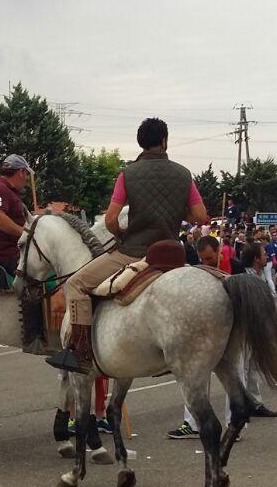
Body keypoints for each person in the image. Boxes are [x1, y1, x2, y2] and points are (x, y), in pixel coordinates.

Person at [53, 118, 207, 373]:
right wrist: (180, 213)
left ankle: (80, 353)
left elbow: (111, 219)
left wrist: (121, 233)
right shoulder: (183, 174)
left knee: (75, 284)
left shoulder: (128, 174)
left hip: (134, 252)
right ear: (165, 141)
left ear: (141, 143)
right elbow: (200, 216)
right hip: (172, 253)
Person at [0, 157, 40, 278]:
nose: (27, 179)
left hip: (12, 251)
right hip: (6, 254)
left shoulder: (7, 190)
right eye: (27, 174)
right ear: (21, 172)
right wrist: (27, 234)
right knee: (45, 280)